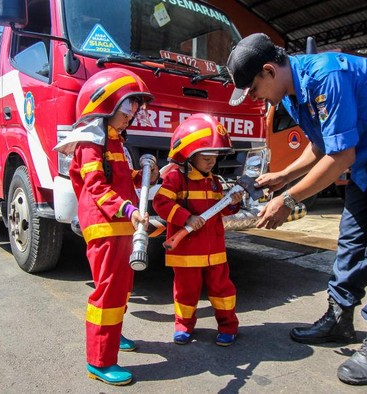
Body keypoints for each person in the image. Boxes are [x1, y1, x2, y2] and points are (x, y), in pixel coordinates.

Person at [226, 33, 367, 385]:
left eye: (254, 89)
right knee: (354, 235)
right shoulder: (291, 94)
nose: (256, 98)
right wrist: (284, 176)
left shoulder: (326, 76)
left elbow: (340, 155)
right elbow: (321, 143)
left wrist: (290, 199)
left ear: (269, 71)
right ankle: (340, 319)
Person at [53, 68, 158, 386]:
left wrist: (150, 175)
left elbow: (123, 181)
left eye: (134, 110)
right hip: (105, 226)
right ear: (104, 106)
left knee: (122, 287)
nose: (132, 116)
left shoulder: (115, 143)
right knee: (108, 291)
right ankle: (99, 360)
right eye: (127, 109)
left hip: (123, 225)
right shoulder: (89, 143)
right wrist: (128, 209)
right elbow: (97, 188)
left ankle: (114, 333)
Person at [152, 113, 243, 347]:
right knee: (186, 291)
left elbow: (219, 211)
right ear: (189, 155)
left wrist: (232, 203)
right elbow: (160, 203)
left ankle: (228, 326)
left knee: (222, 289)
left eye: (215, 157)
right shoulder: (175, 177)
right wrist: (187, 217)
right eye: (206, 157)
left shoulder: (214, 180)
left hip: (215, 251)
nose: (212, 162)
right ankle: (183, 325)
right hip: (185, 252)